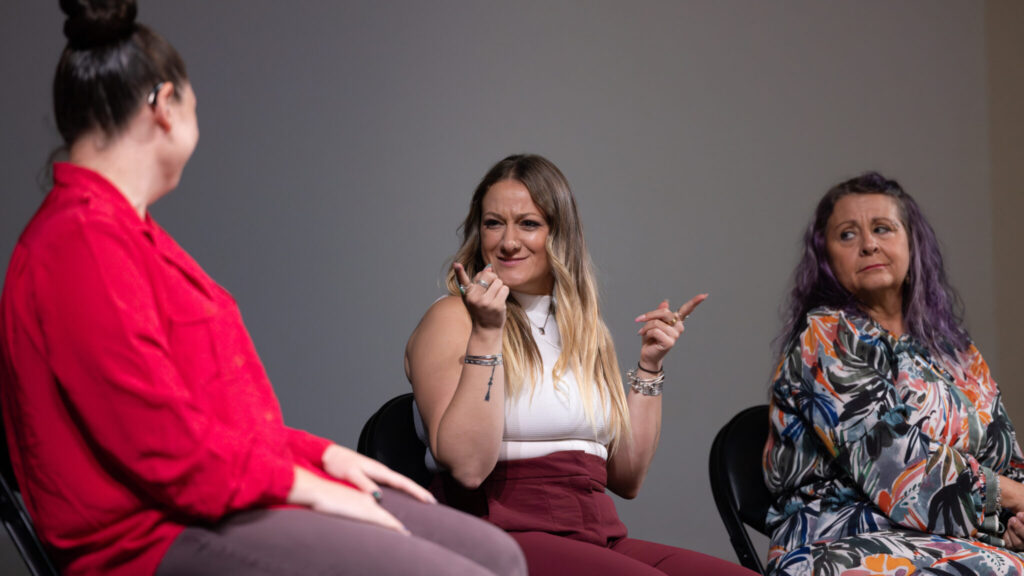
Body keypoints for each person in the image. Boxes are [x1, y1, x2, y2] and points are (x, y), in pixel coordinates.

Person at [0, 2, 527, 575]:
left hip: (214, 501)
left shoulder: (131, 236)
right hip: (152, 537)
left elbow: (212, 420)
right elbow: (160, 447)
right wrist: (303, 485)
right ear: (165, 107)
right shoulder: (80, 245)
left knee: (496, 554)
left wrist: (316, 456)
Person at [405, 153, 756, 576]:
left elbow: (625, 478)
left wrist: (649, 366)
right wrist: (487, 331)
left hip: (593, 531)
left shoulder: (582, 329)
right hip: (494, 531)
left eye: (528, 224)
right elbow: (466, 467)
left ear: (560, 234)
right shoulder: (453, 317)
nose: (508, 241)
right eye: (493, 223)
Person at [764, 172, 1024, 575]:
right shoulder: (827, 336)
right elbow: (897, 467)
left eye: (882, 228)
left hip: (958, 541)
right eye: (847, 235)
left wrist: (1015, 524)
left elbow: (1006, 458)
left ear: (911, 244)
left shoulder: (955, 351)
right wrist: (1009, 498)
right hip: (843, 544)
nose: (869, 244)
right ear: (827, 258)